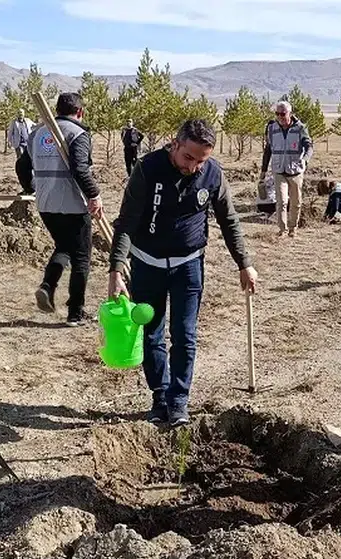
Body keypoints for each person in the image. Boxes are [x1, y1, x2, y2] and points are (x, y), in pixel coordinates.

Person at [107, 119, 258, 426]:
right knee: (151, 333)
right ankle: (160, 396)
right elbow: (126, 222)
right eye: (189, 157)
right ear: (174, 145)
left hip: (188, 265)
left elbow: (229, 221)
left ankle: (179, 401)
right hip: (146, 263)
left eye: (201, 160)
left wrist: (244, 263)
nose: (194, 167)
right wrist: (116, 269)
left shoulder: (212, 174)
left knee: (185, 335)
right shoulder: (148, 169)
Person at [16, 92, 103, 326]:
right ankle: (76, 312)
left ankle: (48, 285)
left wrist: (31, 188)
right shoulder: (78, 134)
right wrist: (94, 195)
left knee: (63, 246)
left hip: (46, 204)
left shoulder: (37, 133)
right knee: (82, 257)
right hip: (73, 204)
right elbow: (80, 170)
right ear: (80, 111)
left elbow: (22, 165)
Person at [260, 101, 314, 238]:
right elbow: (268, 150)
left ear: (290, 113)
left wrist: (305, 159)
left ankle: (293, 228)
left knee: (295, 202)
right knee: (281, 201)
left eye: (282, 114)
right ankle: (282, 230)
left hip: (295, 170)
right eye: (277, 114)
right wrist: (263, 170)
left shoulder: (300, 128)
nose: (280, 117)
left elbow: (309, 146)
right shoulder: (272, 128)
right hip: (279, 170)